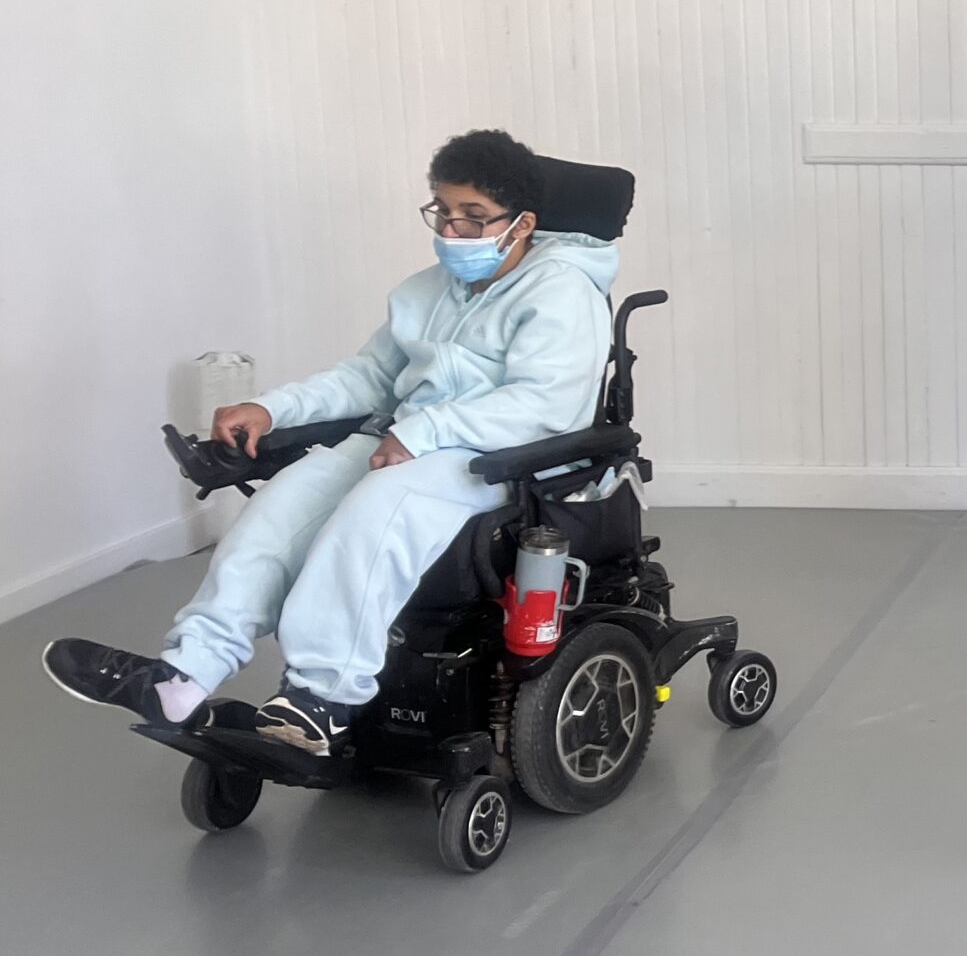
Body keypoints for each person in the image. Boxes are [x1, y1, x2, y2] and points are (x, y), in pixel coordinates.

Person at [45, 130, 617, 758]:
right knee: (279, 508)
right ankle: (186, 676)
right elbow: (368, 377)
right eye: (443, 213)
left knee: (380, 509)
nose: (452, 232)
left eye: (474, 219)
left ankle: (323, 697)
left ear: (522, 223)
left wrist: (421, 432)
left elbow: (546, 405)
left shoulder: (561, 292)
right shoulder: (426, 290)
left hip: (499, 458)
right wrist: (271, 406)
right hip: (404, 439)